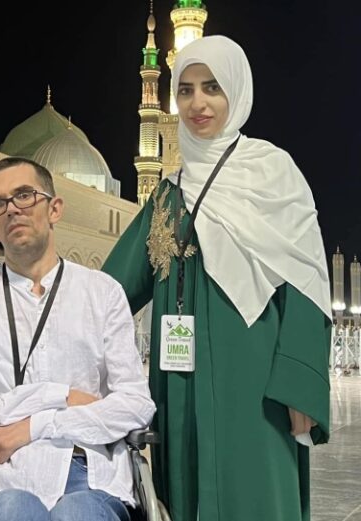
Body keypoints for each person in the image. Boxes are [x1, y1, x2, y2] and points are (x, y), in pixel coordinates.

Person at [103, 36, 331, 521]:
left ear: (236, 91)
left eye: (212, 87)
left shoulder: (272, 173)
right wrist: (36, 285)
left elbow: (307, 284)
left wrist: (299, 384)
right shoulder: (167, 195)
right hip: (178, 381)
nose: (197, 103)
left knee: (255, 492)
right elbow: (109, 290)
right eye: (185, 90)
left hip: (256, 382)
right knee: (184, 495)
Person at [0, 157, 154, 521]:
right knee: (17, 509)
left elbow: (135, 405)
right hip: (2, 475)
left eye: (24, 195)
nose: (12, 209)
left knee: (78, 514)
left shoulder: (101, 292)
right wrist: (64, 397)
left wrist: (33, 426)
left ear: (54, 209)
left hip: (91, 473)